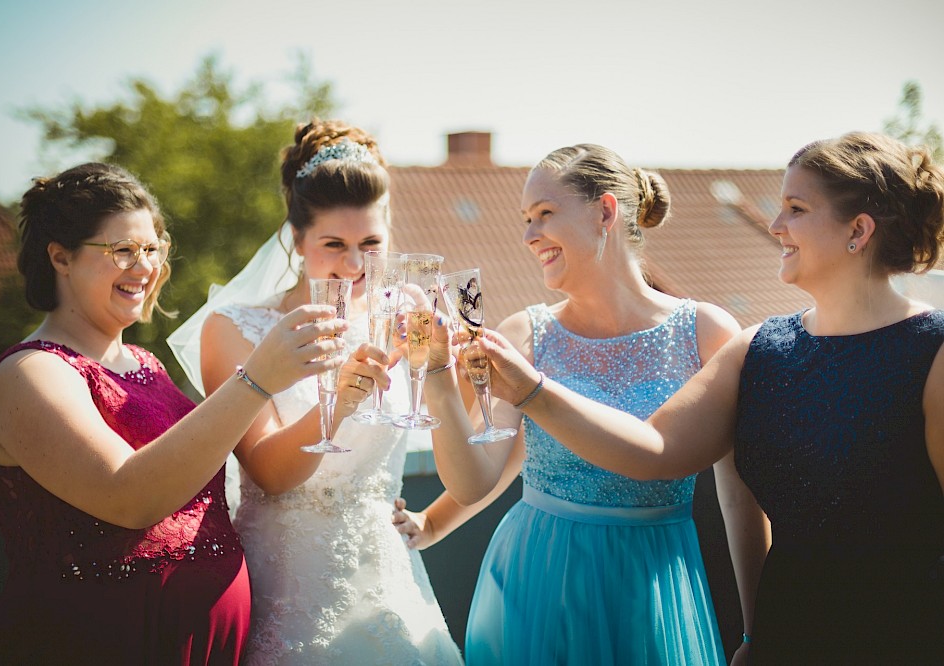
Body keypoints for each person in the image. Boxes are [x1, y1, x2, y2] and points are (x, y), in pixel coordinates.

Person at [473, 132, 944, 665]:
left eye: (795, 208)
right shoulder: (759, 350)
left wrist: (533, 391)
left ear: (858, 230)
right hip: (789, 636)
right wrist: (755, 633)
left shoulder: (933, 353)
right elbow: (655, 450)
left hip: (905, 636)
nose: (774, 225)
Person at [0, 162, 346, 665]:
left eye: (152, 248)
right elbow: (129, 497)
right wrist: (257, 379)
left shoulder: (145, 364)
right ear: (60, 257)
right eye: (122, 250)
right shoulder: (32, 373)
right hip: (100, 644)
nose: (145, 268)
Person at [400, 143, 739, 665]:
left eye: (545, 214)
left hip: (656, 584)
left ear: (605, 211)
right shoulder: (525, 335)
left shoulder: (707, 332)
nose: (529, 236)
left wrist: (759, 627)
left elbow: (741, 493)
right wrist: (440, 376)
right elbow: (475, 481)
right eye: (526, 219)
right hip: (539, 579)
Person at [169, 119, 464, 665]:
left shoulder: (407, 315)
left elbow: (462, 441)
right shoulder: (235, 329)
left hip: (387, 573)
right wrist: (343, 400)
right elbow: (269, 473)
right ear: (297, 239)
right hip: (284, 580)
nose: (354, 266)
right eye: (334, 245)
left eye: (371, 244)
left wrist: (429, 519)